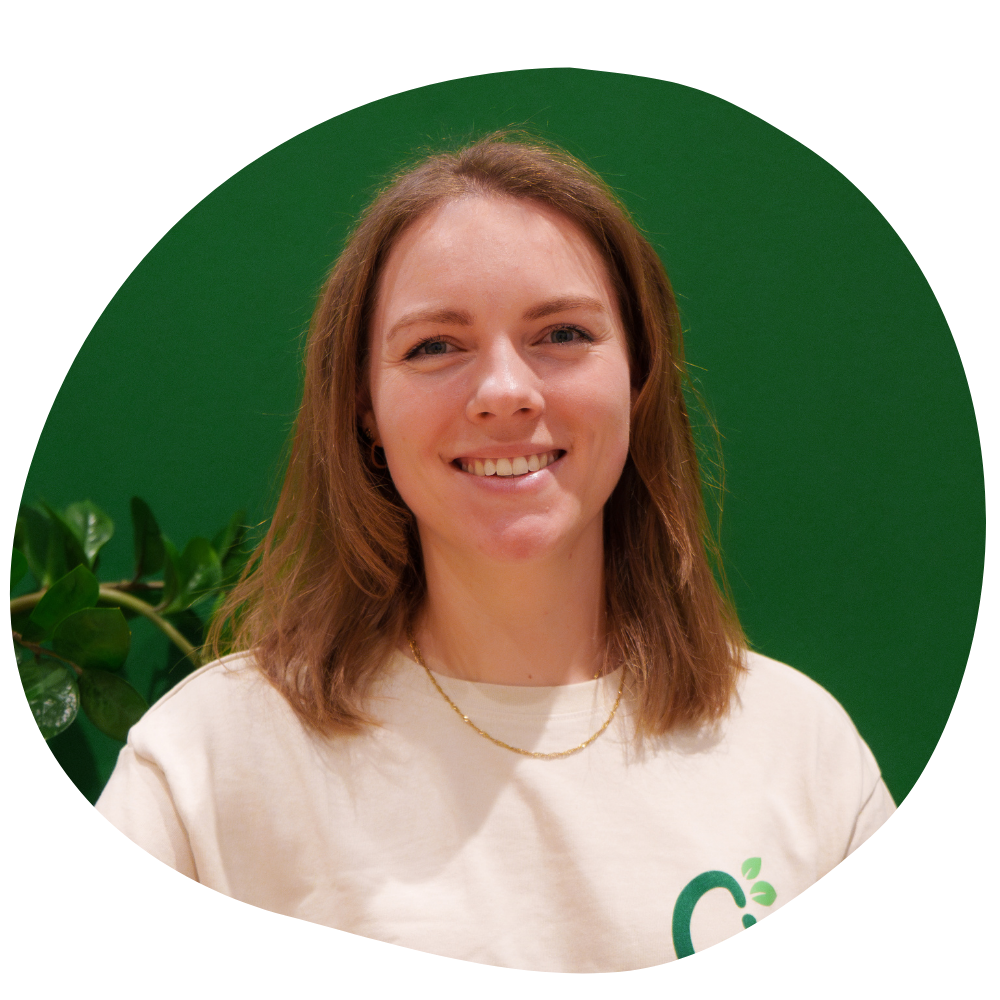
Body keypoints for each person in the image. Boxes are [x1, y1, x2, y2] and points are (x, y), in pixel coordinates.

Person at [95, 129, 896, 972]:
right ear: (365, 407)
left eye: (562, 333)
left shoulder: (802, 753)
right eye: (435, 346)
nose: (505, 392)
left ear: (638, 376)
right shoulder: (210, 762)